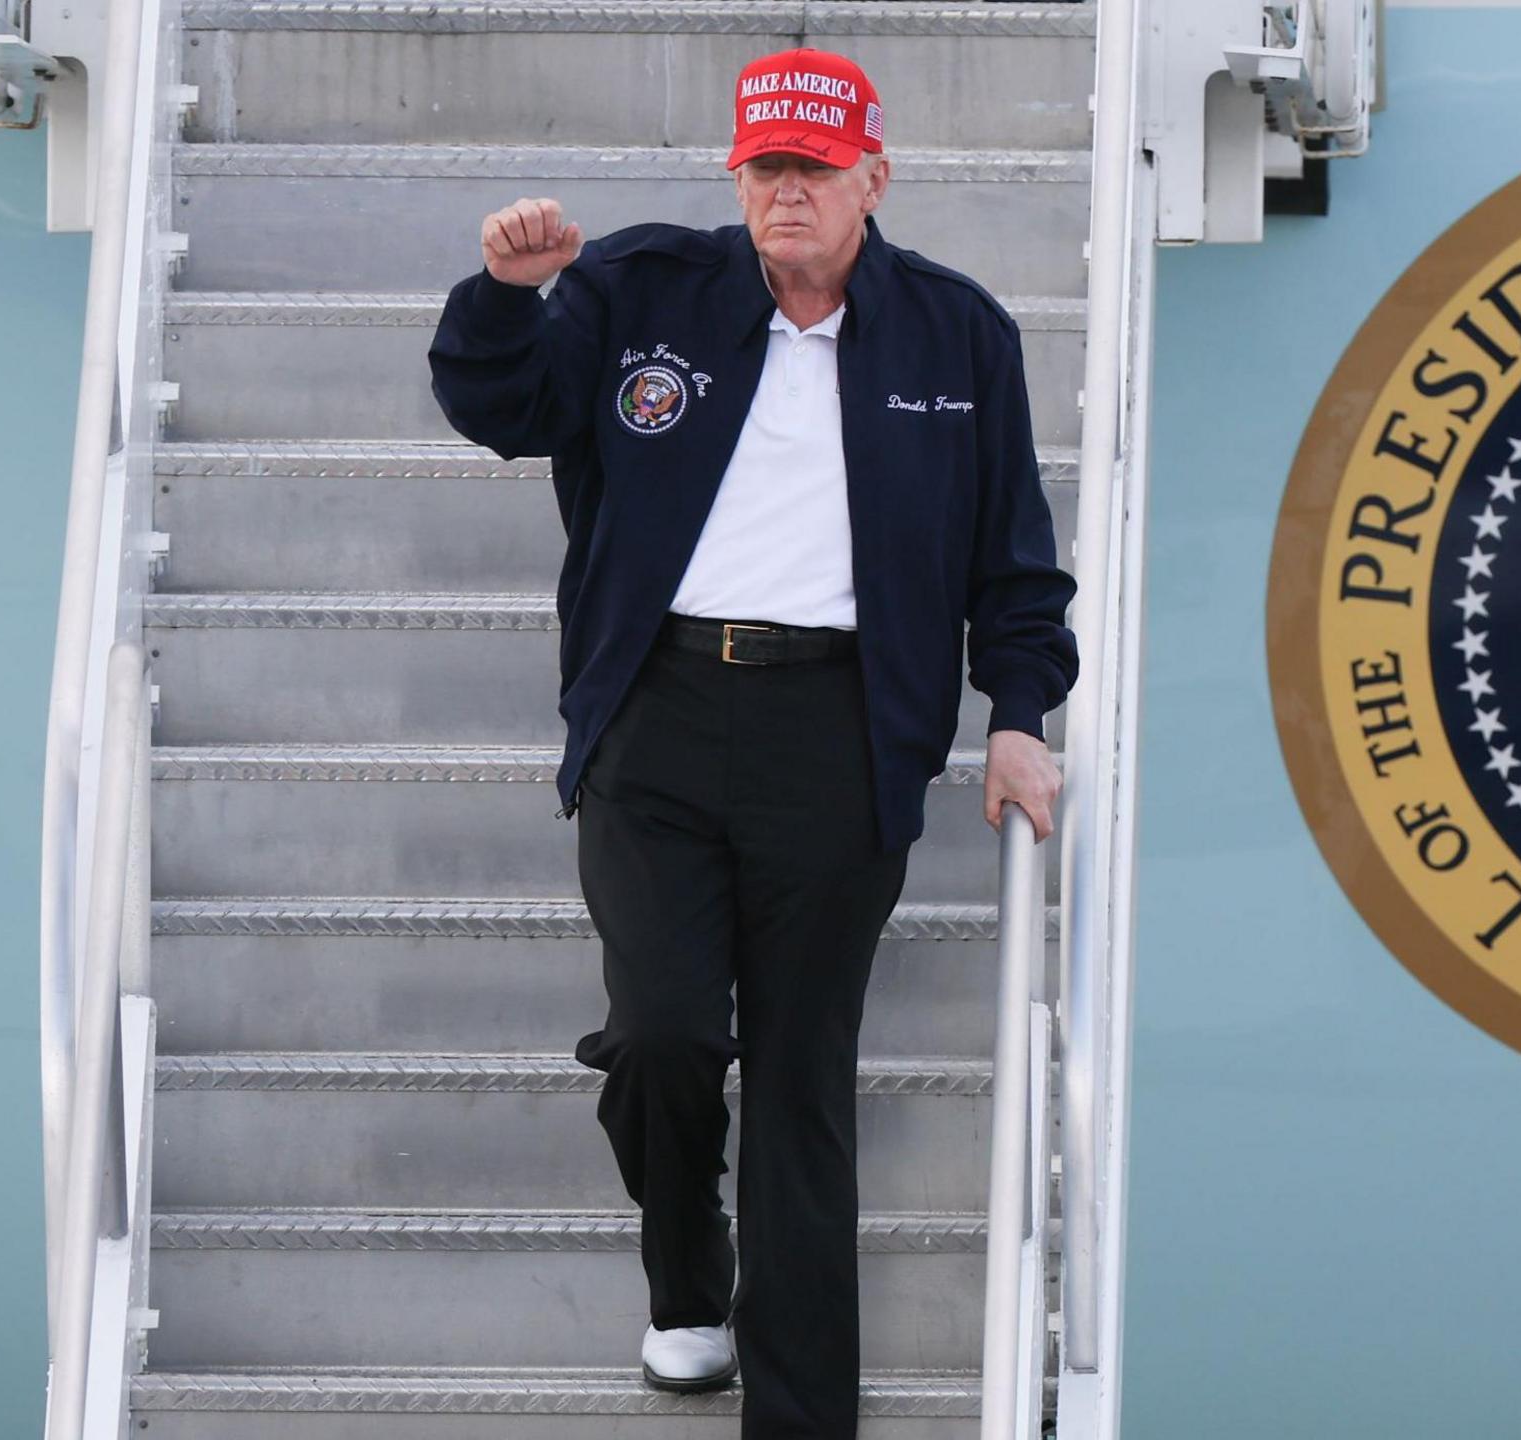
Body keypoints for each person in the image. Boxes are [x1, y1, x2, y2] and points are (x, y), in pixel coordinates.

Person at [425, 45, 1078, 1440]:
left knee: (799, 1082)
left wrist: (1018, 720)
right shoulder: (641, 289)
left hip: (840, 737)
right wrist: (503, 294)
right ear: (740, 175)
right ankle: (684, 1285)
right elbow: (500, 409)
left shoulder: (959, 336)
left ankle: (800, 1422)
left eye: (815, 171)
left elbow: (1015, 569)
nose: (787, 194)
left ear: (873, 178)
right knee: (662, 1034)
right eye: (766, 169)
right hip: (655, 715)